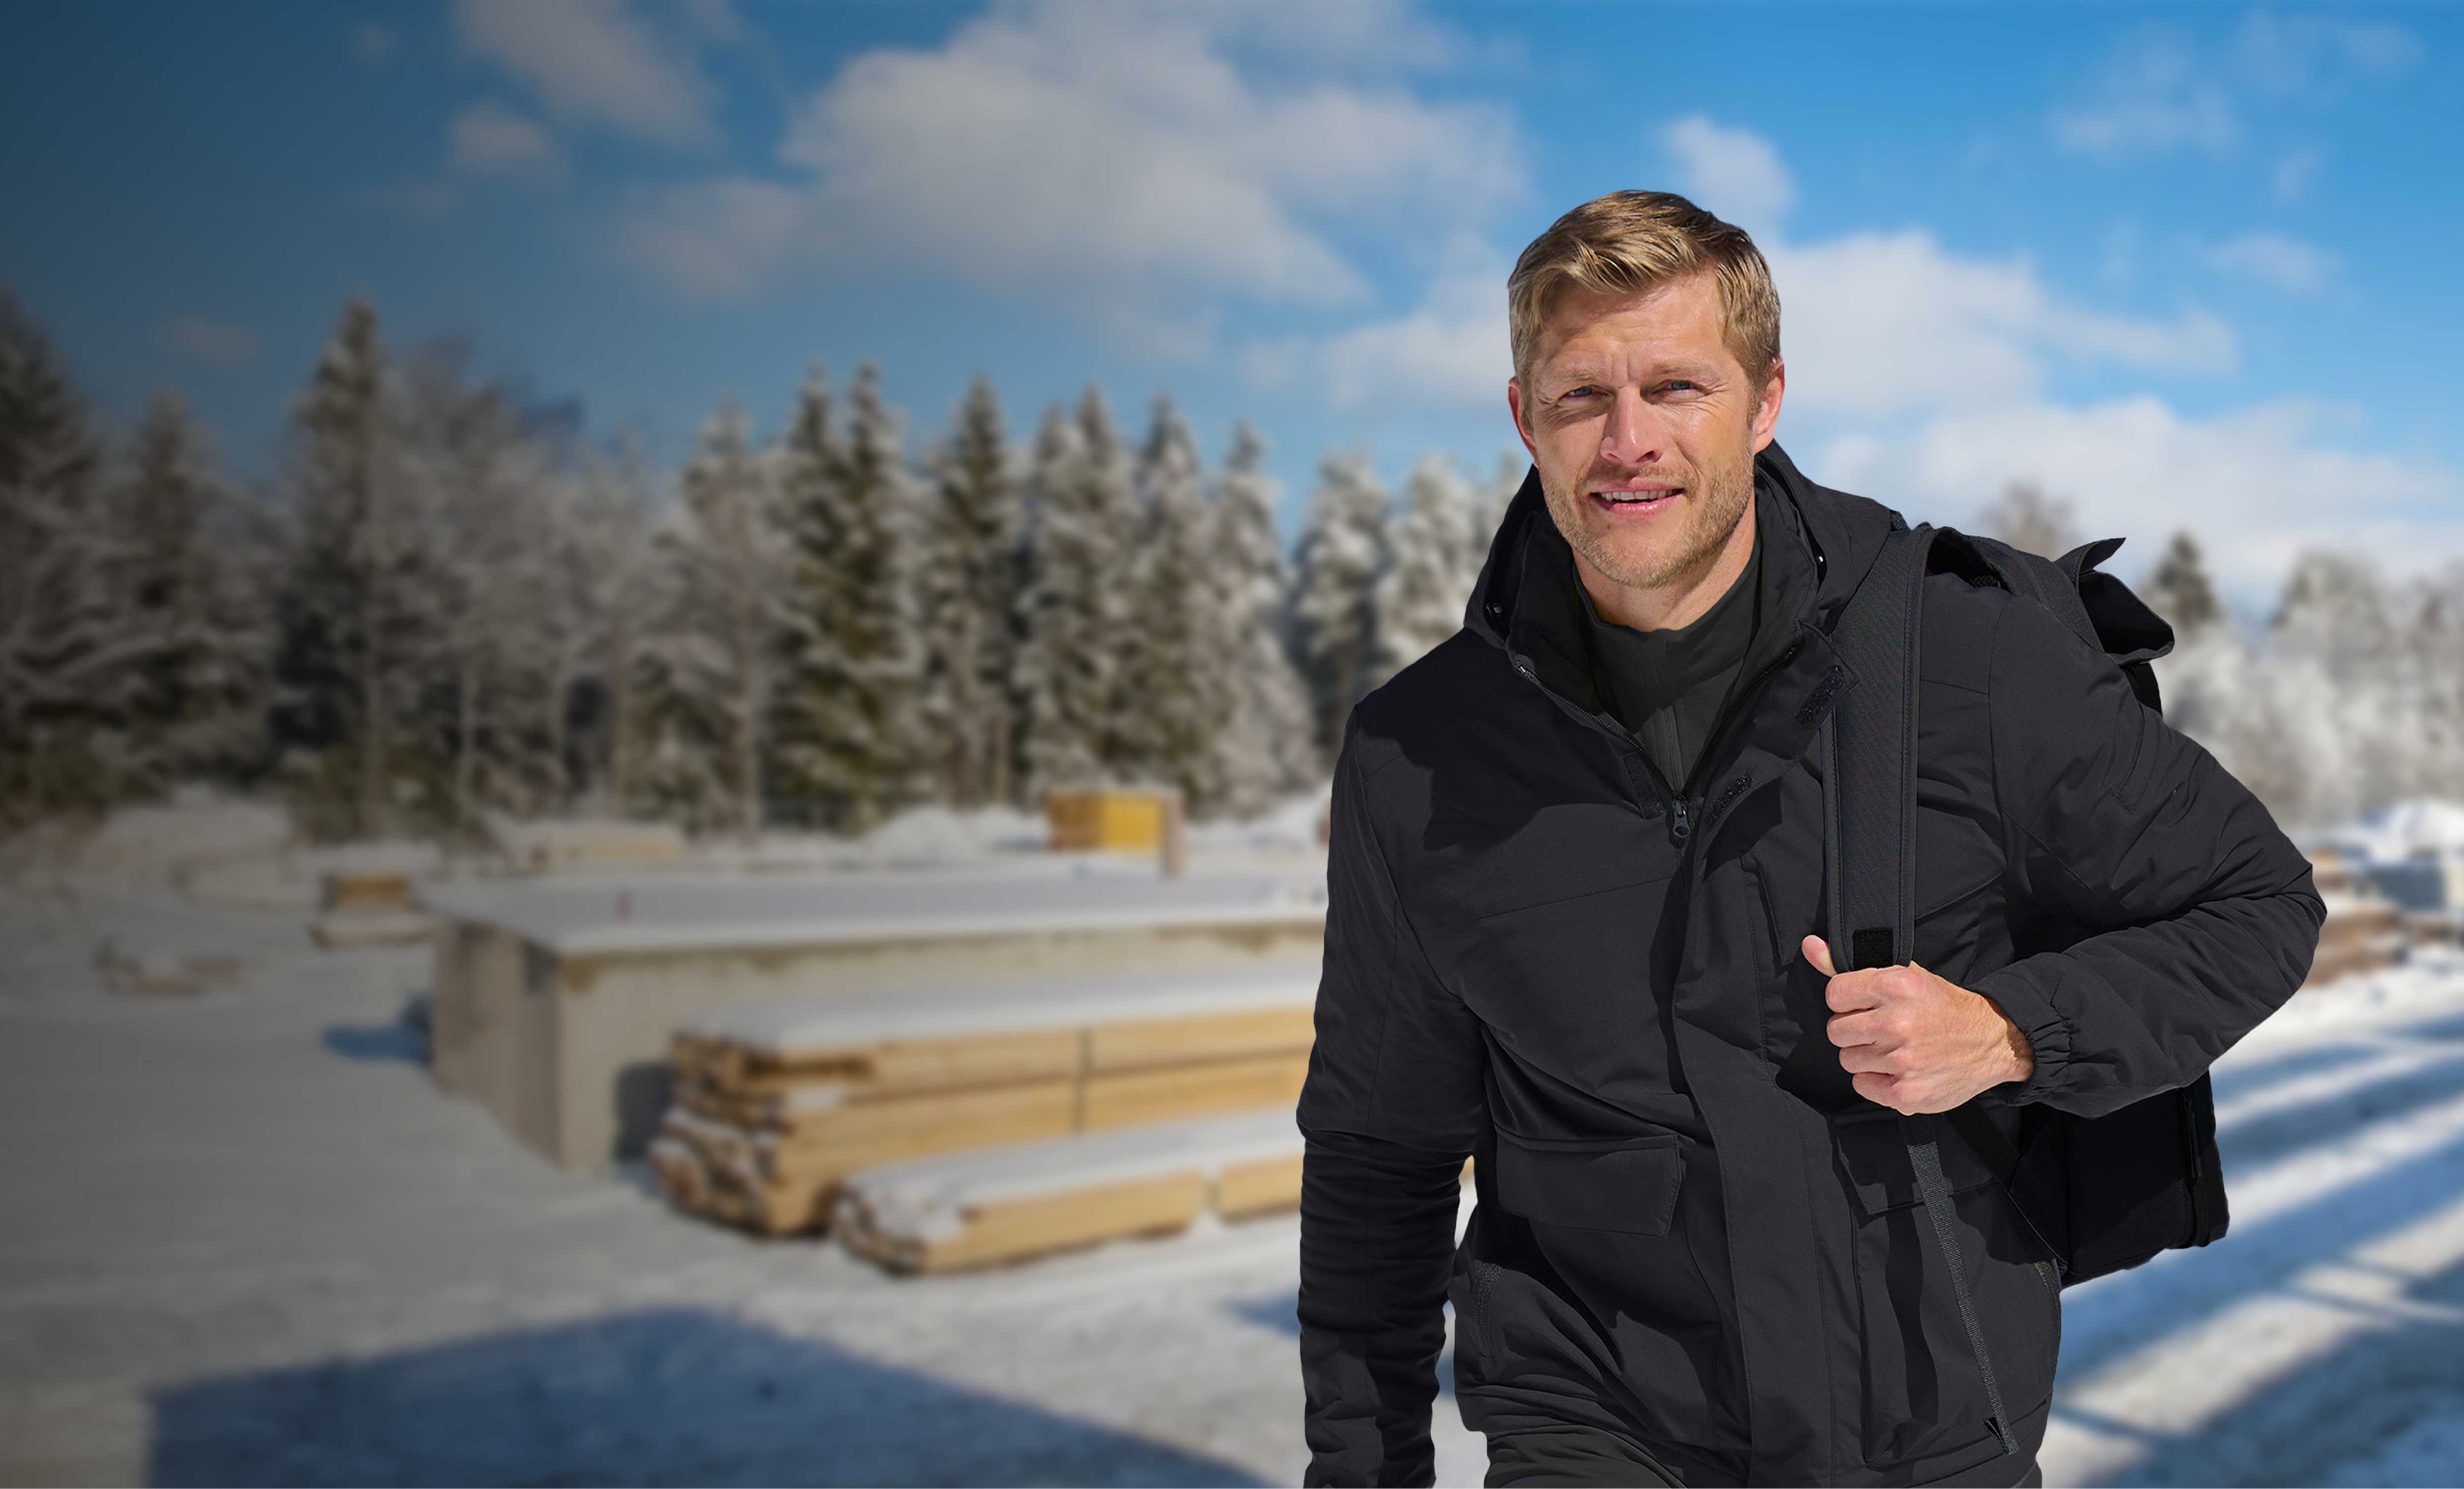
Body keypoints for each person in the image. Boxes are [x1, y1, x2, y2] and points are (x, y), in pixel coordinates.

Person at [1295, 190, 2324, 1488]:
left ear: (1766, 401)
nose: (1629, 444)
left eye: (1678, 387)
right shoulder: (1423, 751)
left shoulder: (1970, 659)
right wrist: (1360, 1467)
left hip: (1928, 1434)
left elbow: (2255, 905)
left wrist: (2014, 1033)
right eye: (1579, 399)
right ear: (1524, 419)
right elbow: (1379, 1150)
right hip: (1595, 1429)